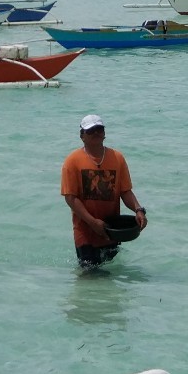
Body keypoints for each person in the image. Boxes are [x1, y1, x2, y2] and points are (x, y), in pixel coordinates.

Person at [61, 114, 147, 268]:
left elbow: (125, 191)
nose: (96, 133)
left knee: (109, 279)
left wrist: (138, 210)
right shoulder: (72, 161)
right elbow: (70, 198)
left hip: (111, 230)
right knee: (90, 276)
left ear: (104, 133)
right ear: (82, 136)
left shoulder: (117, 158)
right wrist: (92, 222)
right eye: (91, 130)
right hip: (85, 231)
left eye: (99, 129)